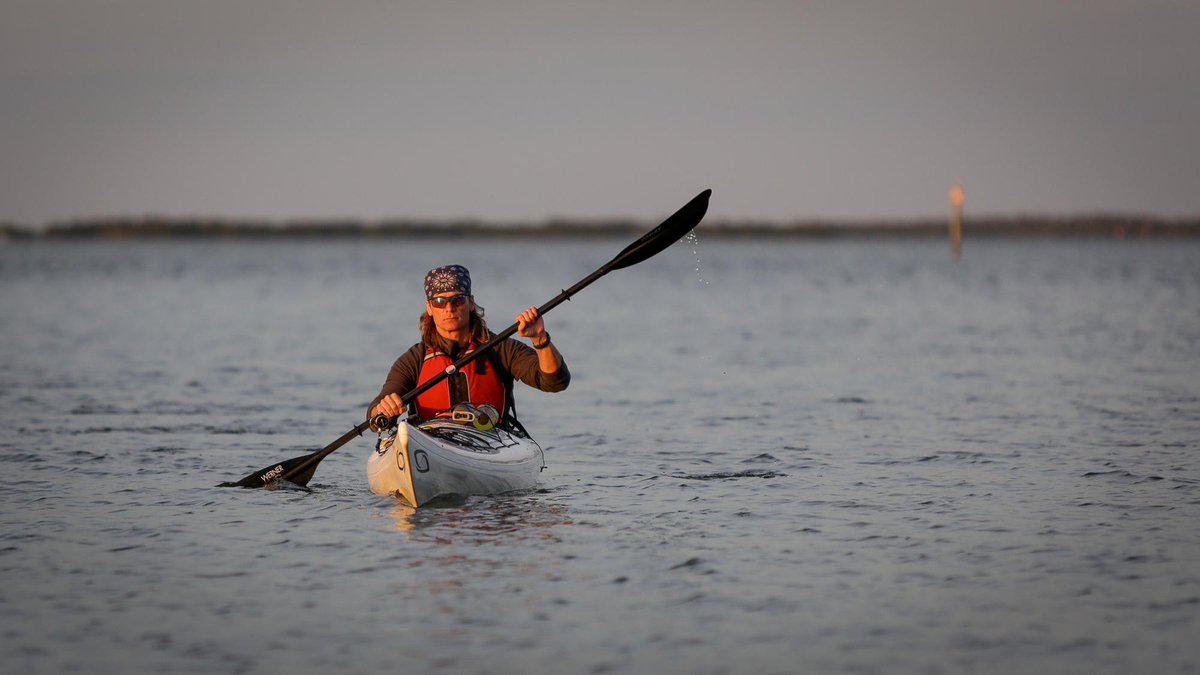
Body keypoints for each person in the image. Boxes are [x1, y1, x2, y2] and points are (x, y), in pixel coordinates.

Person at [367, 264, 569, 424]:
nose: (449, 308)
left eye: (458, 300)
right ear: (429, 307)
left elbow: (555, 382)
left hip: (490, 440)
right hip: (431, 442)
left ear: (471, 303)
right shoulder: (414, 360)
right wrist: (383, 409)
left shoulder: (501, 348)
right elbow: (375, 413)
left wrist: (540, 339)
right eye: (439, 301)